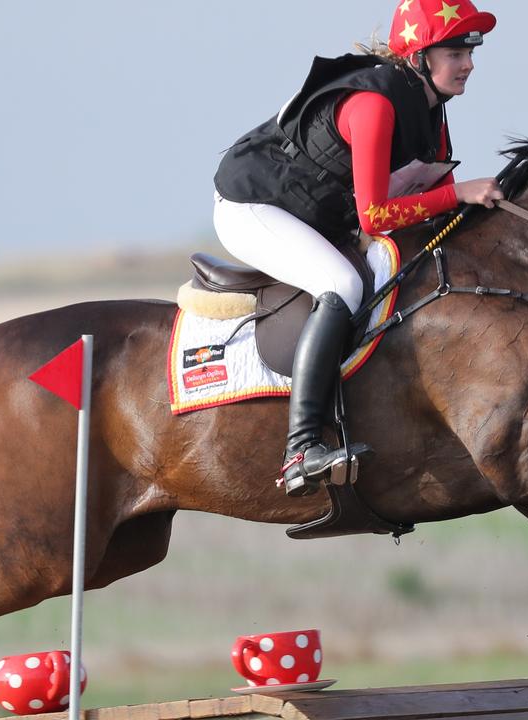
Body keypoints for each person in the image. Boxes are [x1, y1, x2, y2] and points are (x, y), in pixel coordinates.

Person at [212, 0, 503, 497]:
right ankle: (301, 450)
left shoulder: (431, 110)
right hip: (250, 204)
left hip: (311, 210)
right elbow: (376, 216)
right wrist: (459, 192)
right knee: (342, 284)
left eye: (470, 51)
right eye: (455, 52)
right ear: (419, 58)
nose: (469, 63)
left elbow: (421, 202)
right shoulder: (375, 104)